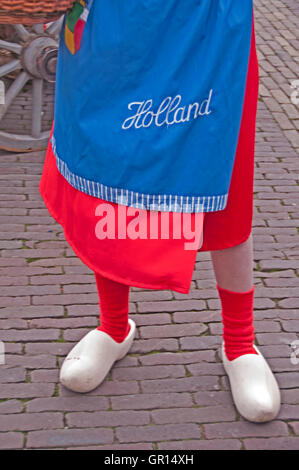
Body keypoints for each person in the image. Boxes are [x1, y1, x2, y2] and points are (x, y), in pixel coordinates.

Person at [39, 0, 281, 423]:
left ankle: (240, 342)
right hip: (114, 29)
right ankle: (113, 326)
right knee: (107, 176)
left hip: (207, 31)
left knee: (222, 186)